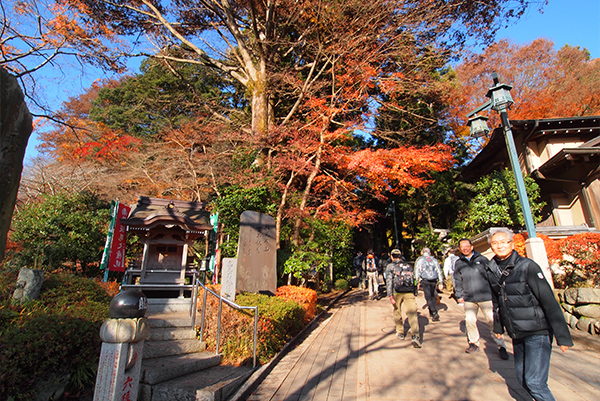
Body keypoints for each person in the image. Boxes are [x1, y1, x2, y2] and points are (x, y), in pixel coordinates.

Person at [485, 228, 573, 401]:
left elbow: (549, 301)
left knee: (535, 382)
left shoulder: (527, 266)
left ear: (512, 243)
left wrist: (562, 337)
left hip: (537, 331)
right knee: (522, 379)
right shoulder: (492, 269)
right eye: (495, 243)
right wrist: (498, 326)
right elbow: (496, 301)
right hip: (517, 332)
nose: (500, 246)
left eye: (504, 242)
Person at [453, 238, 509, 359]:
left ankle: (501, 345)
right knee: (470, 321)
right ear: (459, 249)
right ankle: (473, 343)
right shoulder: (459, 263)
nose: (465, 248)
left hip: (485, 296)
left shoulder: (482, 260)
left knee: (492, 320)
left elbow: (492, 276)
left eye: (467, 246)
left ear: (472, 247)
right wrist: (459, 295)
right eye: (462, 247)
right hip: (469, 297)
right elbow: (457, 280)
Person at [386, 249, 421, 348]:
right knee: (412, 313)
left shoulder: (390, 266)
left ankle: (400, 331)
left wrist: (390, 295)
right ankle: (415, 335)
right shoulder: (408, 266)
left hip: (396, 292)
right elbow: (414, 279)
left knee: (397, 311)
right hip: (409, 292)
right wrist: (415, 292)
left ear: (392, 256)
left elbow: (389, 281)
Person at [415, 247, 443, 322]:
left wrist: (416, 282)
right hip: (434, 279)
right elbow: (439, 270)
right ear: (430, 253)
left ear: (422, 252)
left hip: (425, 280)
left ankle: (434, 312)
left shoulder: (419, 260)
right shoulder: (434, 259)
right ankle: (432, 311)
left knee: (428, 296)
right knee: (432, 295)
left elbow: (417, 271)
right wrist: (441, 282)